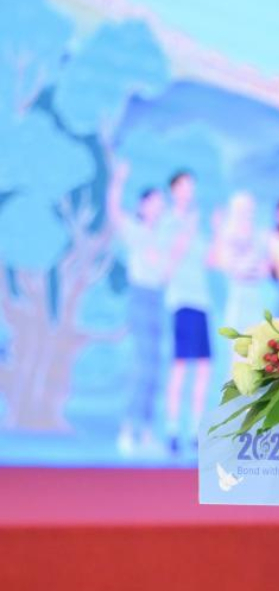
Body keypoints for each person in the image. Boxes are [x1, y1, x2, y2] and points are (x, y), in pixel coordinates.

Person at [106, 159, 168, 457]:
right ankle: (127, 430)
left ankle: (145, 430)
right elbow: (115, 214)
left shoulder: (161, 235)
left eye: (161, 203)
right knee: (142, 366)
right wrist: (118, 181)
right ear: (143, 206)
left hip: (158, 298)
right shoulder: (135, 229)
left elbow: (167, 269)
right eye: (154, 203)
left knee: (155, 367)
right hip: (140, 296)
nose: (158, 208)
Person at [160, 169, 216, 456]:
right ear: (174, 190)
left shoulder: (197, 223)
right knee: (181, 365)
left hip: (202, 301)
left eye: (192, 187)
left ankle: (195, 429)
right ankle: (172, 429)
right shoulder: (168, 221)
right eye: (184, 187)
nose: (189, 192)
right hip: (181, 300)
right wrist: (187, 230)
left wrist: (217, 231)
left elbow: (209, 259)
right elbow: (167, 261)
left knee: (204, 367)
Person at [212, 191, 270, 332]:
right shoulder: (227, 236)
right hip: (237, 297)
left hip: (255, 298)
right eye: (242, 209)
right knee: (237, 342)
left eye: (250, 209)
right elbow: (226, 265)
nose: (247, 213)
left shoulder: (260, 236)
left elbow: (264, 270)